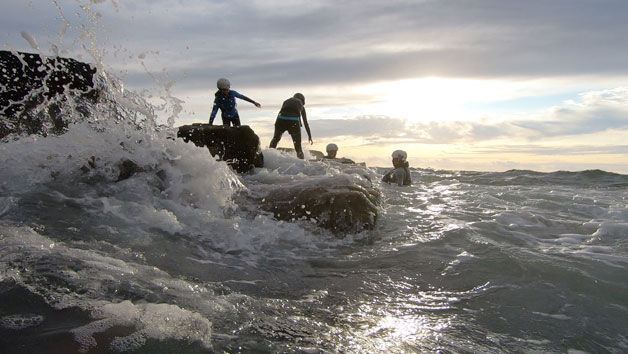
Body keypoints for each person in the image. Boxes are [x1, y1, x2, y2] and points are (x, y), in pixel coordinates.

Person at [269, 93, 313, 159]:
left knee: (275, 139)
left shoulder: (286, 101)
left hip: (280, 119)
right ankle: (302, 163)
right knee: (298, 146)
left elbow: (281, 112)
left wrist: (277, 124)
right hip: (293, 121)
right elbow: (305, 123)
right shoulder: (302, 106)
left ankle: (268, 156)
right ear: (303, 101)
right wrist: (309, 136)